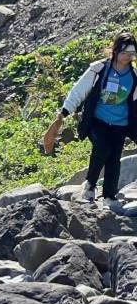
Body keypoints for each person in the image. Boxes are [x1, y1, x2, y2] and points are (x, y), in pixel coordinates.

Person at [49, 32, 137, 208]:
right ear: (115, 50)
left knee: (114, 157)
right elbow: (78, 90)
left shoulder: (134, 76)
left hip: (121, 123)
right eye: (124, 52)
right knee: (102, 147)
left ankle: (110, 197)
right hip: (97, 119)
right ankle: (89, 186)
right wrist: (64, 112)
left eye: (132, 53)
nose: (127, 57)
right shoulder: (99, 69)